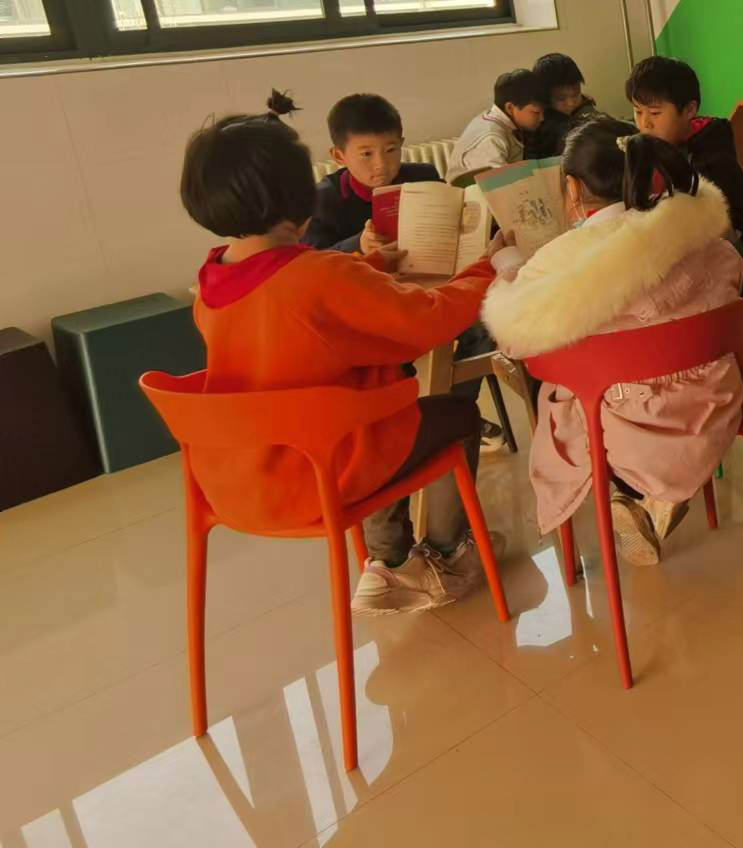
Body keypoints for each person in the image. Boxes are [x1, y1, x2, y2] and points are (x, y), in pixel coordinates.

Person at [182, 91, 504, 615]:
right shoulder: (318, 276)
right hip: (318, 471)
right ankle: (442, 556)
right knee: (455, 416)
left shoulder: (212, 279)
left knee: (368, 414)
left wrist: (369, 269)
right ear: (300, 196)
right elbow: (429, 320)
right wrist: (489, 266)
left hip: (238, 477)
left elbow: (299, 311)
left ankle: (387, 563)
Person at [482, 121, 743, 565]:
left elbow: (514, 331)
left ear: (572, 190)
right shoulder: (702, 233)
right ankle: (652, 499)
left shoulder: (561, 262)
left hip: (633, 429)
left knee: (547, 375)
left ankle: (627, 491)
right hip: (721, 400)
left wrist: (506, 264)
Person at [626, 54, 743, 283]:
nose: (644, 123)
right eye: (638, 111)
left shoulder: (715, 161)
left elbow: (722, 230)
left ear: (689, 110)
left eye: (655, 113)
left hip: (732, 269)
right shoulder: (656, 144)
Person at [302, 93, 443, 252]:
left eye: (390, 150)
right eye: (366, 154)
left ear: (401, 144)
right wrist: (358, 245)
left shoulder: (424, 178)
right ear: (339, 156)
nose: (381, 164)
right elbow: (312, 258)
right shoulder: (321, 201)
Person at [447, 68, 547, 183]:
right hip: (471, 192)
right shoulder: (491, 138)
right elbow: (500, 185)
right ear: (510, 108)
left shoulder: (501, 119)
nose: (542, 118)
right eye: (536, 112)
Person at [523, 51, 599, 159]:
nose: (570, 103)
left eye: (576, 95)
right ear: (546, 98)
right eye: (561, 99)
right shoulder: (536, 122)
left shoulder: (586, 108)